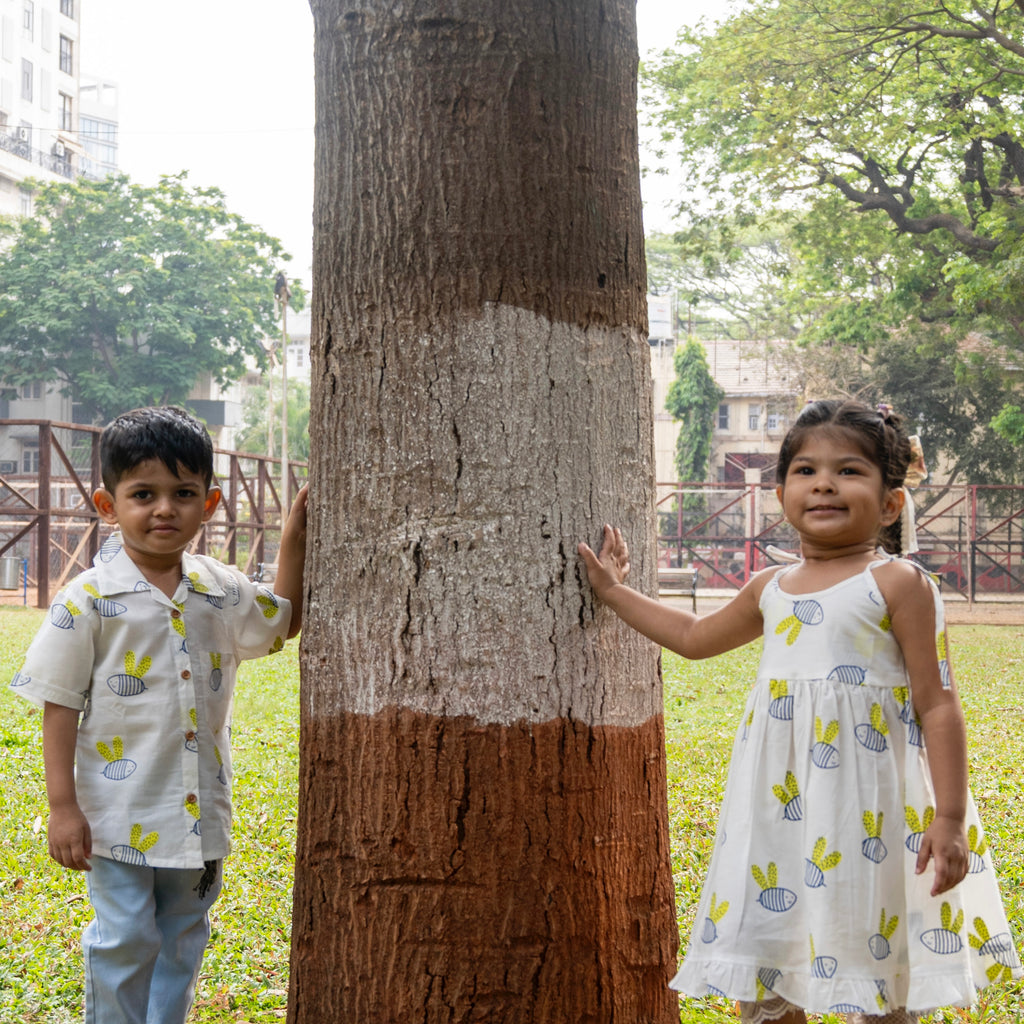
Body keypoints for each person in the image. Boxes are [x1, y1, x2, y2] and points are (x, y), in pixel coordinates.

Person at [578, 399, 1021, 1024]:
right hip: (777, 807)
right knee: (771, 952)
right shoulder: (770, 588)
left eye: (849, 471)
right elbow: (694, 638)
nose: (824, 484)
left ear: (891, 503)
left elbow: (938, 705)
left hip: (869, 811)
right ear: (781, 494)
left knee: (875, 952)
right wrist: (615, 591)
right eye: (806, 471)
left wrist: (948, 817)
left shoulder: (899, 583)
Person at [9, 406, 308, 1024]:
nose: (164, 509)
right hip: (117, 816)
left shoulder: (220, 589)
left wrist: (293, 543)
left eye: (184, 493)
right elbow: (59, 705)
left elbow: (281, 622)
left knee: (184, 937)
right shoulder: (87, 600)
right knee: (124, 938)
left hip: (199, 811)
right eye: (143, 494)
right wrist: (62, 807)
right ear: (107, 505)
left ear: (211, 503)